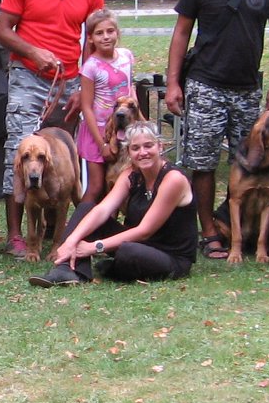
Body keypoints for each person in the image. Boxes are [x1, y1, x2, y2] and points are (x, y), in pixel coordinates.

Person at [164, 0, 269, 257]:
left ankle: (246, 230)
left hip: (248, 88)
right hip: (205, 84)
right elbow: (181, 32)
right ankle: (209, 232)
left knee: (252, 160)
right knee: (202, 161)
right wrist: (173, 82)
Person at [0, 0, 103, 258]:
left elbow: (95, 38)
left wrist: (84, 88)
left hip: (70, 79)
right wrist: (32, 51)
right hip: (28, 74)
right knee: (21, 150)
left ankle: (59, 233)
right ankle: (16, 235)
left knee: (61, 156)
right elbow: (1, 30)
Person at [30, 121, 196, 285]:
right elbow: (102, 210)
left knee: (128, 251)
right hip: (139, 243)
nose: (143, 152)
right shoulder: (131, 174)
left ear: (160, 147)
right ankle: (66, 270)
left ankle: (114, 268)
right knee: (87, 209)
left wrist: (94, 247)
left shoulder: (173, 179)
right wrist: (72, 240)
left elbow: (145, 230)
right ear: (129, 152)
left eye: (148, 146)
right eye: (136, 148)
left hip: (170, 256)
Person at [73, 8, 136, 213]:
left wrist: (140, 125)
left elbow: (130, 89)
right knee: (97, 186)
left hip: (124, 129)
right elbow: (86, 106)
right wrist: (102, 144)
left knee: (123, 182)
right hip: (97, 133)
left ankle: (111, 232)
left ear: (117, 32)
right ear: (90, 38)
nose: (106, 37)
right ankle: (76, 231)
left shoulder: (126, 57)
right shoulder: (91, 67)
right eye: (99, 33)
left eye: (110, 31)